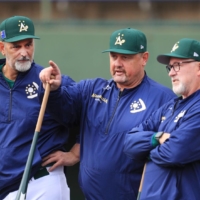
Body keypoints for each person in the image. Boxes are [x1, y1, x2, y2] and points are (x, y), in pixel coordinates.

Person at [39, 27, 176, 200]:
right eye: (113, 56)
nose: (117, 63)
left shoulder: (163, 99)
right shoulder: (93, 89)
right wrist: (55, 90)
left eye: (125, 57)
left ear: (144, 58)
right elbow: (64, 112)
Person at [0, 16, 80, 200]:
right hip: (6, 186)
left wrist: (76, 152)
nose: (24, 52)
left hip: (42, 180)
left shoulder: (49, 81)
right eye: (16, 46)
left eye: (28, 45)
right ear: (2, 48)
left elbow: (91, 114)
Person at [124, 38, 200, 200]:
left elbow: (176, 151)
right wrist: (156, 138)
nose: (172, 72)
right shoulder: (169, 106)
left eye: (178, 65)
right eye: (170, 67)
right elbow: (129, 142)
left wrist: (147, 152)